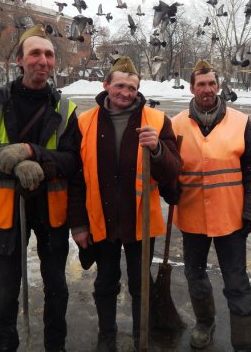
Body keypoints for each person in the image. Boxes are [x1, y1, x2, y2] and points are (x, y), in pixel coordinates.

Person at [0, 24, 81, 352]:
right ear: (20, 60)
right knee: (4, 294)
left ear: (54, 62)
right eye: (35, 53)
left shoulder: (65, 109)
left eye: (49, 55)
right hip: (4, 214)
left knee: (57, 289)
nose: (42, 60)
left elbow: (72, 161)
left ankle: (55, 347)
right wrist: (13, 166)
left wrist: (32, 155)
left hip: (50, 212)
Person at [69, 56, 181, 351]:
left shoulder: (156, 121)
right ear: (106, 85)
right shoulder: (84, 122)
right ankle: (107, 337)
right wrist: (78, 224)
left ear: (138, 90)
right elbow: (76, 178)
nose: (125, 93)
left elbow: (172, 171)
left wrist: (157, 149)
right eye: (119, 85)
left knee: (140, 284)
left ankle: (140, 336)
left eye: (132, 87)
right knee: (105, 283)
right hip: (100, 218)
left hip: (140, 221)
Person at [170, 60, 251, 352]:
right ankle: (204, 322)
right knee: (194, 275)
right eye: (201, 84)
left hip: (231, 219)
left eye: (212, 84)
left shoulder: (240, 122)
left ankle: (243, 341)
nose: (207, 89)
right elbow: (168, 168)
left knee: (236, 281)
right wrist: (168, 188)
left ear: (219, 86)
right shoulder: (175, 124)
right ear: (192, 88)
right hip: (192, 218)